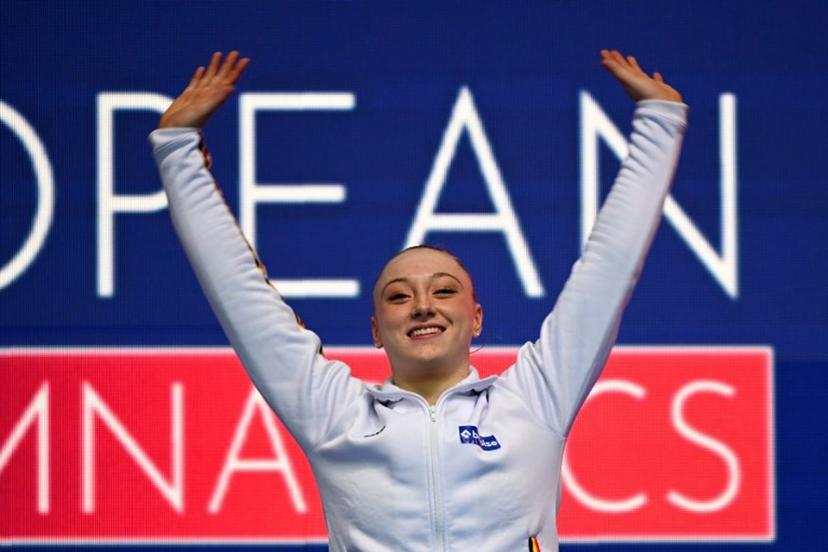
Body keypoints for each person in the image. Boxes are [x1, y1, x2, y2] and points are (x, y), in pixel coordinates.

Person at [150, 49, 686, 551]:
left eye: (444, 290)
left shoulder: (534, 399)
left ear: (476, 318)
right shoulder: (335, 415)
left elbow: (607, 269)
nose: (423, 305)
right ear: (376, 330)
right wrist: (177, 150)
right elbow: (239, 292)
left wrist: (659, 124)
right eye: (399, 296)